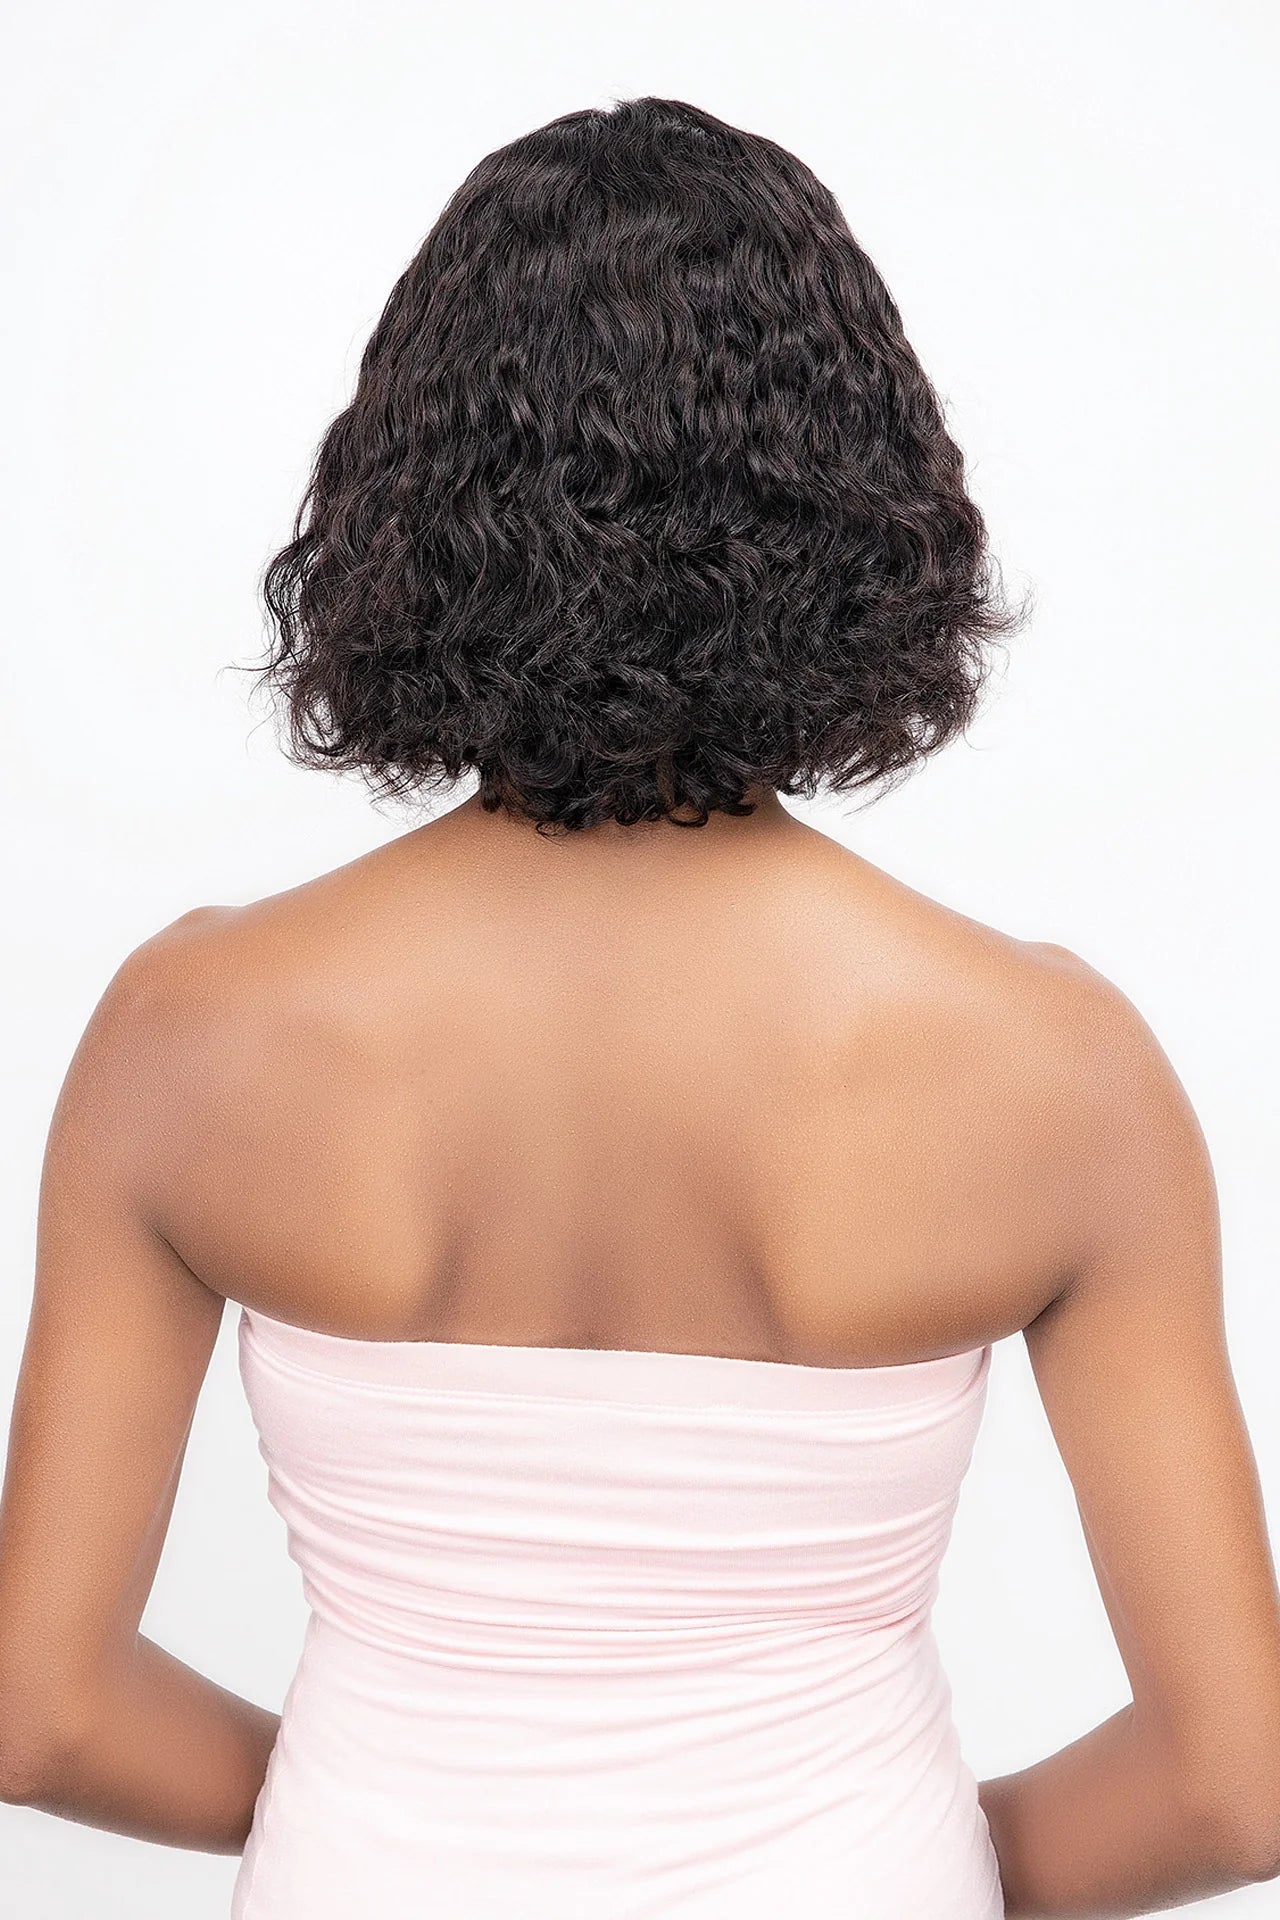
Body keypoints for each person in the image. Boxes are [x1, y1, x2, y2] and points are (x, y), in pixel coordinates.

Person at [1, 93, 1278, 1920]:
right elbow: (1237, 1789)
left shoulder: (189, 1034)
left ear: (409, 505)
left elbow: (42, 1714)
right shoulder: (1055, 1066)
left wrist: (391, 1806)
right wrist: (889, 1847)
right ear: (856, 510)